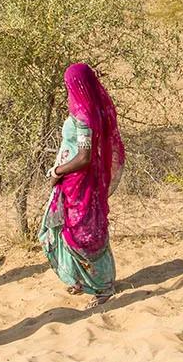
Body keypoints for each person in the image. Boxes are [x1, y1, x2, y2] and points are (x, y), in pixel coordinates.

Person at [41, 63, 123, 304]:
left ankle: (103, 287)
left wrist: (57, 171)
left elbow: (84, 157)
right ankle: (82, 279)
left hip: (81, 183)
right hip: (84, 181)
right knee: (78, 228)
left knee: (84, 233)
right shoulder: (96, 109)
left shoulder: (84, 115)